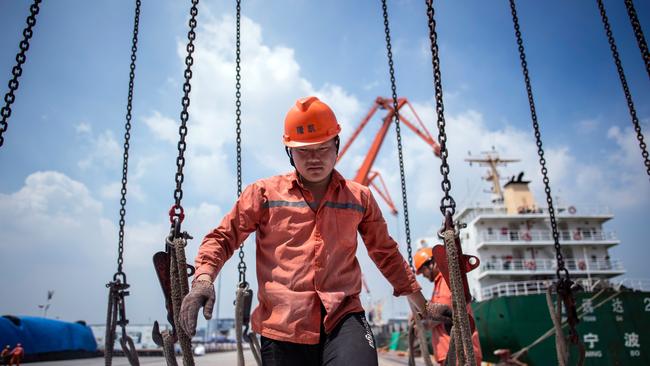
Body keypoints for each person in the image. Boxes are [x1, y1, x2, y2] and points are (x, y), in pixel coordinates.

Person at [180, 96, 453, 366]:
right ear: (289, 151)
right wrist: (203, 279)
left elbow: (386, 253)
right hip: (283, 325)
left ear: (337, 144)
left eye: (322, 148)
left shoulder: (360, 198)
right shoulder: (263, 194)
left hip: (343, 317)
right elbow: (223, 237)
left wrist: (423, 305)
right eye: (304, 151)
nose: (315, 159)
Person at [414, 247, 483, 365]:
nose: (423, 275)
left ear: (432, 264)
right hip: (451, 355)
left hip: (459, 355)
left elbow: (445, 313)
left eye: (423, 270)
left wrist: (422, 326)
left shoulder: (446, 282)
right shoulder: (439, 284)